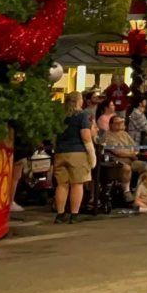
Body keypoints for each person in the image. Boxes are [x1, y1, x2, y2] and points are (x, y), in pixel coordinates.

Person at [53, 92, 95, 224]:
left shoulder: (60, 116)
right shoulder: (82, 115)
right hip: (77, 153)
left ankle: (60, 214)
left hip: (60, 152)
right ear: (78, 101)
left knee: (62, 184)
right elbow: (86, 136)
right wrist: (92, 154)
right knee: (77, 184)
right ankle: (74, 214)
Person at [102, 115, 147, 202]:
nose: (121, 124)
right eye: (117, 123)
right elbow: (118, 152)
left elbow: (135, 147)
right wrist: (131, 154)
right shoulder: (107, 135)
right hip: (116, 162)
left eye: (122, 122)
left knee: (144, 165)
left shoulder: (125, 134)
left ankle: (139, 190)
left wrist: (132, 153)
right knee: (127, 168)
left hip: (130, 159)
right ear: (111, 124)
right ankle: (126, 192)